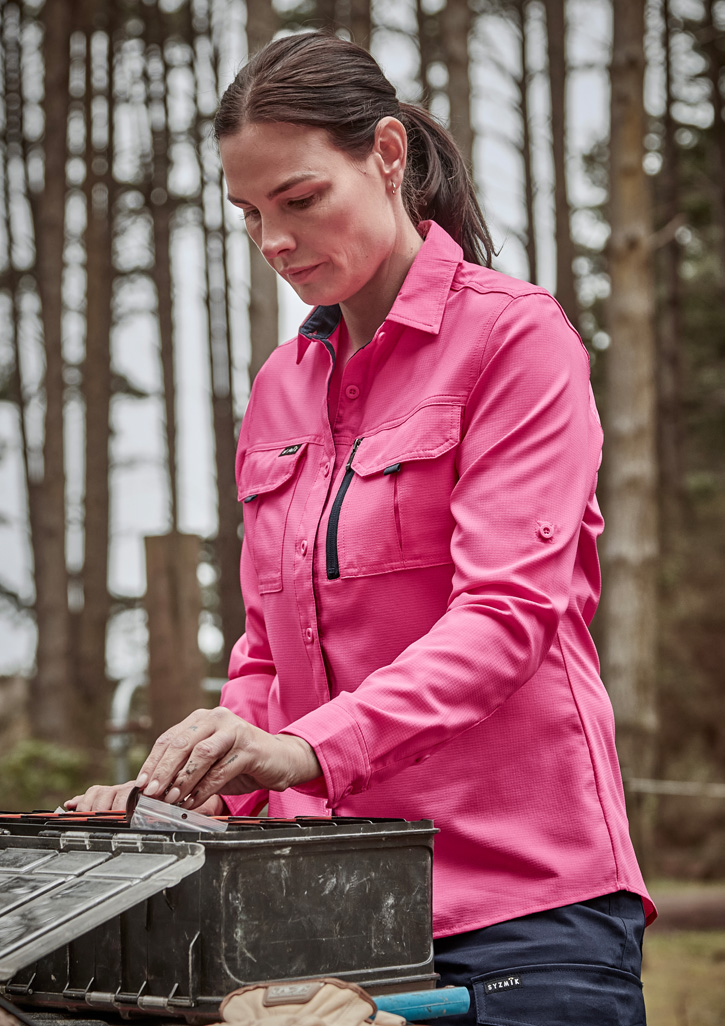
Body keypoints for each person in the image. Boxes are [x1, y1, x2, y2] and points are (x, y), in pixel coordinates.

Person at [69, 32, 654, 1025]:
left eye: (298, 199)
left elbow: (506, 616)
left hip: (521, 908)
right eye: (249, 213)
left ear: (386, 154)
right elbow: (268, 649)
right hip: (320, 908)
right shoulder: (280, 386)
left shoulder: (514, 338)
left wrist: (303, 746)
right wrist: (200, 785)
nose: (273, 240)